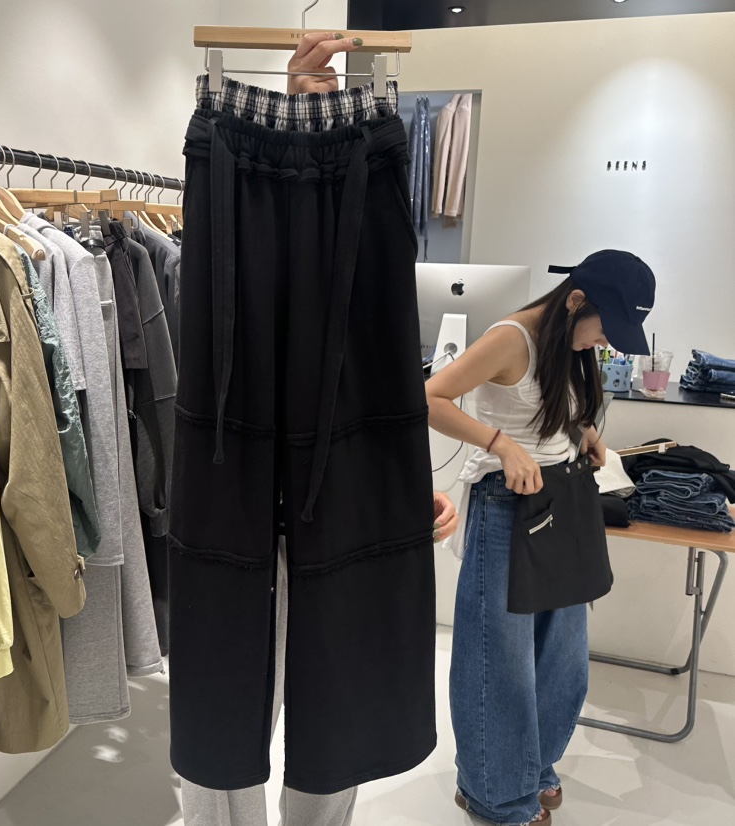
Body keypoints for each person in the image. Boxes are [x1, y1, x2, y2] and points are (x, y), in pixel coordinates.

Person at [177, 33, 459, 826]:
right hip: (232, 160)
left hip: (354, 162)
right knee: (223, 658)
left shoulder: (365, 157)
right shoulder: (228, 147)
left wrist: (390, 491)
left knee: (343, 650)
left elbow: (370, 379)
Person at [426, 250, 656, 825]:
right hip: (507, 507)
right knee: (499, 659)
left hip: (561, 500)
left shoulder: (565, 344)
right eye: (604, 329)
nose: (603, 343)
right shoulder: (512, 339)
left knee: (562, 656)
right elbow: (428, 397)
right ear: (575, 300)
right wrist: (499, 444)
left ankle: (528, 766)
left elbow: (546, 405)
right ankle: (494, 792)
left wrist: (583, 431)